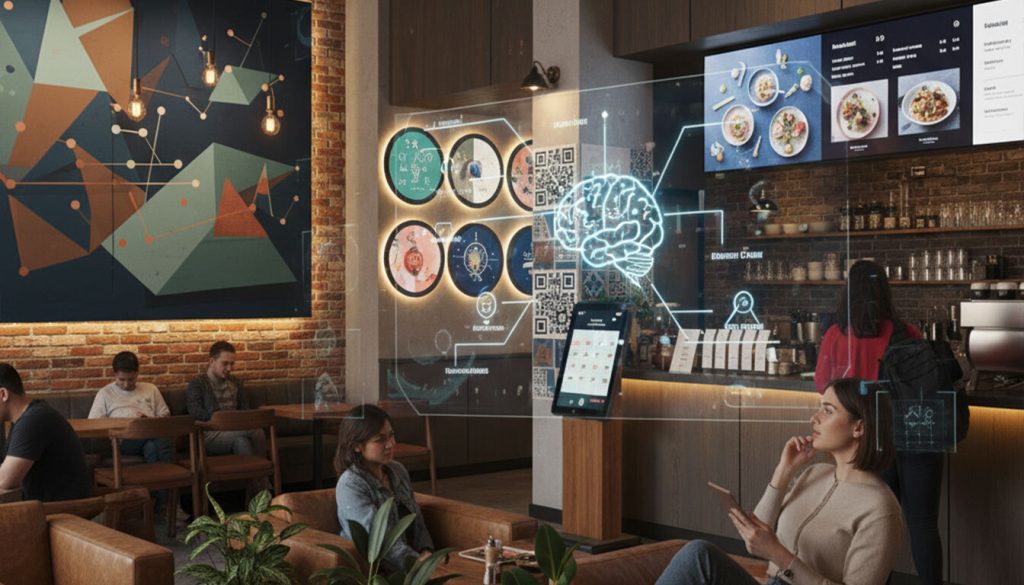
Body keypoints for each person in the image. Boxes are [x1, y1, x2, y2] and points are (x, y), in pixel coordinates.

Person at [656, 378, 904, 585]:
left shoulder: (879, 509)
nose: (814, 418)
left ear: (858, 427)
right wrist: (783, 472)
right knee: (699, 554)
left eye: (828, 411)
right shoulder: (815, 473)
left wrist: (779, 555)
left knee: (697, 556)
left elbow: (772, 550)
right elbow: (755, 541)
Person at [814, 260, 942, 585]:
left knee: (875, 523)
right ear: (884, 291)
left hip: (871, 438)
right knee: (923, 522)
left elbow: (823, 386)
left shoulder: (835, 336)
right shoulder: (906, 331)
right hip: (917, 434)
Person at [334, 404, 433, 573]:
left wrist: (428, 552)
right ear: (357, 446)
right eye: (380, 439)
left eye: (391, 435)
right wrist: (417, 564)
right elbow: (379, 540)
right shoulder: (350, 484)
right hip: (379, 573)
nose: (391, 444)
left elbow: (418, 521)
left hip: (417, 566)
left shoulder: (398, 470)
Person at [90, 351, 173, 512]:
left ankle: (157, 505)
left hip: (150, 436)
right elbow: (94, 423)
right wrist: (124, 423)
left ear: (137, 374)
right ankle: (169, 505)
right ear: (114, 374)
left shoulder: (150, 389)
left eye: (131, 379)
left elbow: (165, 415)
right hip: (123, 441)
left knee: (153, 447)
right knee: (160, 440)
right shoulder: (105, 393)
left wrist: (147, 420)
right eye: (122, 380)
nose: (127, 384)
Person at [0, 363, 92, 502]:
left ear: (3, 394)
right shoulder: (26, 418)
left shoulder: (33, 420)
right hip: (45, 508)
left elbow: (5, 481)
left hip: (64, 514)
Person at [186, 340, 265, 457]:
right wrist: (222, 420)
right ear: (211, 361)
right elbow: (195, 413)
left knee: (242, 442)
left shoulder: (236, 382)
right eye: (225, 363)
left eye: (232, 364)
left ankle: (251, 475)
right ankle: (264, 473)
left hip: (236, 430)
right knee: (257, 431)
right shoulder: (197, 384)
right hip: (210, 434)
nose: (229, 368)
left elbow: (245, 410)